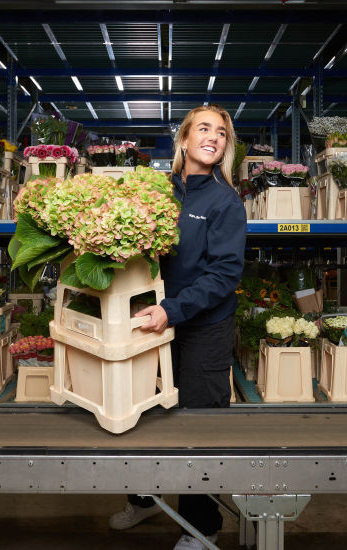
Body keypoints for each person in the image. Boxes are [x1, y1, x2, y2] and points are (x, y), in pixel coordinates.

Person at [108, 105, 247, 549]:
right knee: (142, 414)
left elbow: (225, 276)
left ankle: (200, 529)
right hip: (151, 321)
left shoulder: (226, 202)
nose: (213, 137)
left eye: (221, 133)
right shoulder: (156, 192)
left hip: (203, 326)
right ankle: (144, 496)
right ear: (184, 140)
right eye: (203, 129)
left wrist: (174, 309)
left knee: (196, 427)